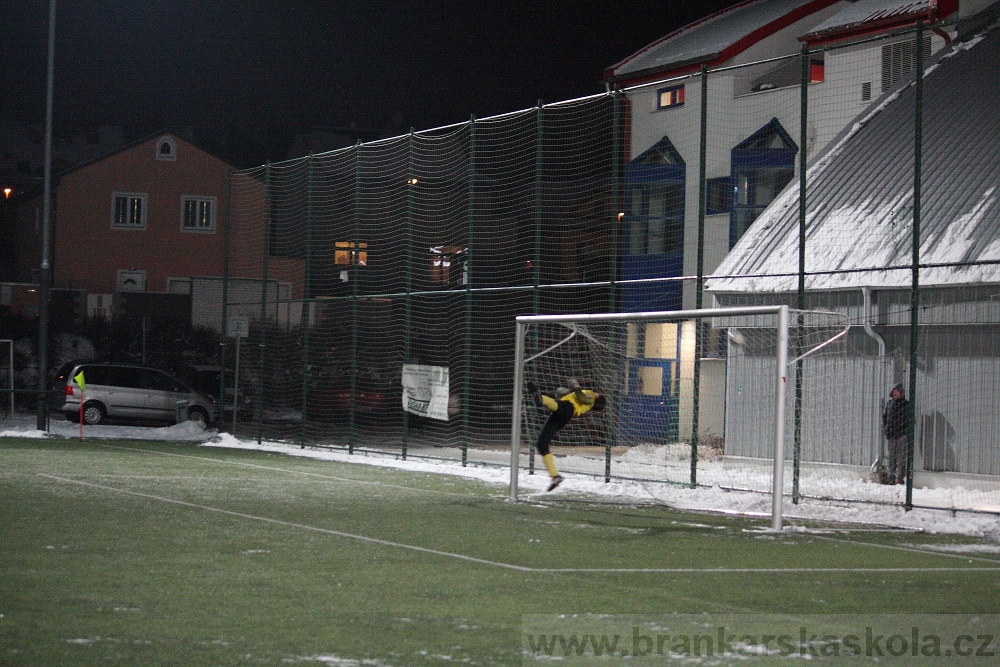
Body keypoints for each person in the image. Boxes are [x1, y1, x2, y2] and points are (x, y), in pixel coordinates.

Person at [526, 378, 606, 491]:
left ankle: (541, 399)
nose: (596, 392)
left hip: (567, 408)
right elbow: (574, 399)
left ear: (597, 397)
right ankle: (555, 476)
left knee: (556, 405)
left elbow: (582, 398)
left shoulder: (591, 395)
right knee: (541, 444)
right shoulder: (587, 403)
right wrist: (565, 394)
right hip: (565, 415)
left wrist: (576, 386)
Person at [881, 383, 910, 485]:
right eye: (893, 392)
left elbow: (909, 419)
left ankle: (900, 478)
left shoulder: (906, 404)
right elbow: (885, 417)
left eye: (896, 392)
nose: (895, 394)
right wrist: (886, 429)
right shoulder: (889, 404)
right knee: (891, 458)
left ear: (901, 393)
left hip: (901, 435)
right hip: (891, 435)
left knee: (901, 458)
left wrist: (905, 432)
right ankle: (891, 478)